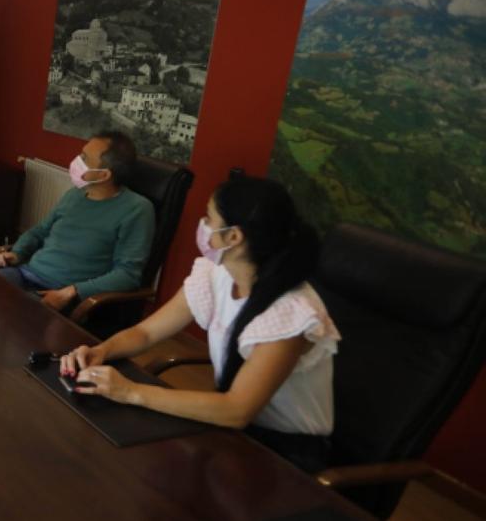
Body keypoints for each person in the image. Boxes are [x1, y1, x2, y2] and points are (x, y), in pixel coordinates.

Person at [59, 176, 340, 471]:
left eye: (209, 217)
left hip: (285, 454)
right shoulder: (216, 274)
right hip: (232, 432)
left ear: (234, 237)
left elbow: (237, 410)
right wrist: (102, 351)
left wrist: (130, 391)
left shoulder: (290, 313)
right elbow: (146, 332)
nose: (202, 223)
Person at [0, 131, 154, 311]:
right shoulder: (74, 194)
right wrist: (17, 252)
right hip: (25, 274)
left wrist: (73, 291)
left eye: (84, 158)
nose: (76, 160)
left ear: (104, 175)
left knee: (1, 315)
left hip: (58, 293)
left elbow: (128, 275)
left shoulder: (137, 209)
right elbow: (40, 231)